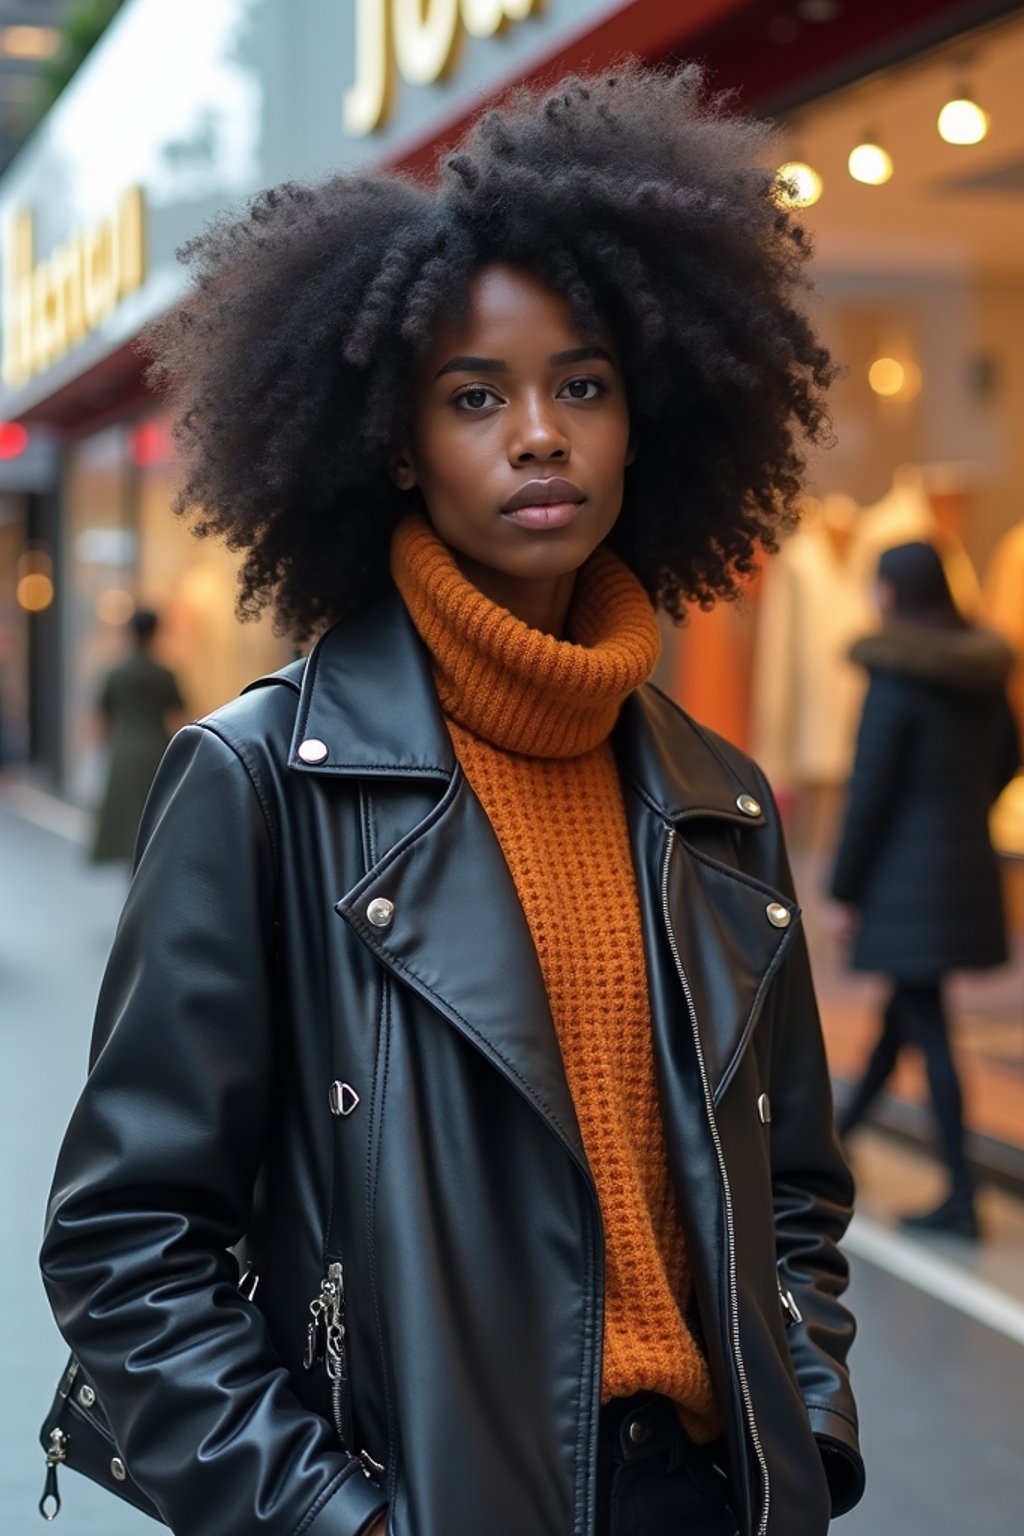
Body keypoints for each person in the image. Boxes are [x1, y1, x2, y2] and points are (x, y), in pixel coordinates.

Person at [40, 67, 864, 1536]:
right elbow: (126, 1246)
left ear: (647, 418)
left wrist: (806, 1424)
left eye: (584, 385)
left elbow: (792, 1186)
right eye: (475, 396)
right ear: (394, 445)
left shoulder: (715, 796)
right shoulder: (261, 783)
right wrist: (335, 1519)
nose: (539, 433)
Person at [828, 541, 1020, 1240]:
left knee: (925, 1022)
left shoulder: (896, 673)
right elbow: (1009, 758)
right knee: (906, 1015)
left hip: (903, 875)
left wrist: (843, 885)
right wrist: (958, 812)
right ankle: (835, 1144)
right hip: (964, 864)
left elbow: (869, 792)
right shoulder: (982, 673)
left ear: (893, 592)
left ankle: (963, 1196)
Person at [89, 607, 186, 863]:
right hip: (158, 749)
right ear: (155, 632)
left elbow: (102, 718)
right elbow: (182, 714)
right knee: (155, 820)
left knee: (128, 823)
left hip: (125, 751)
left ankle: (132, 884)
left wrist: (105, 749)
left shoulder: (116, 673)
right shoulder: (164, 674)